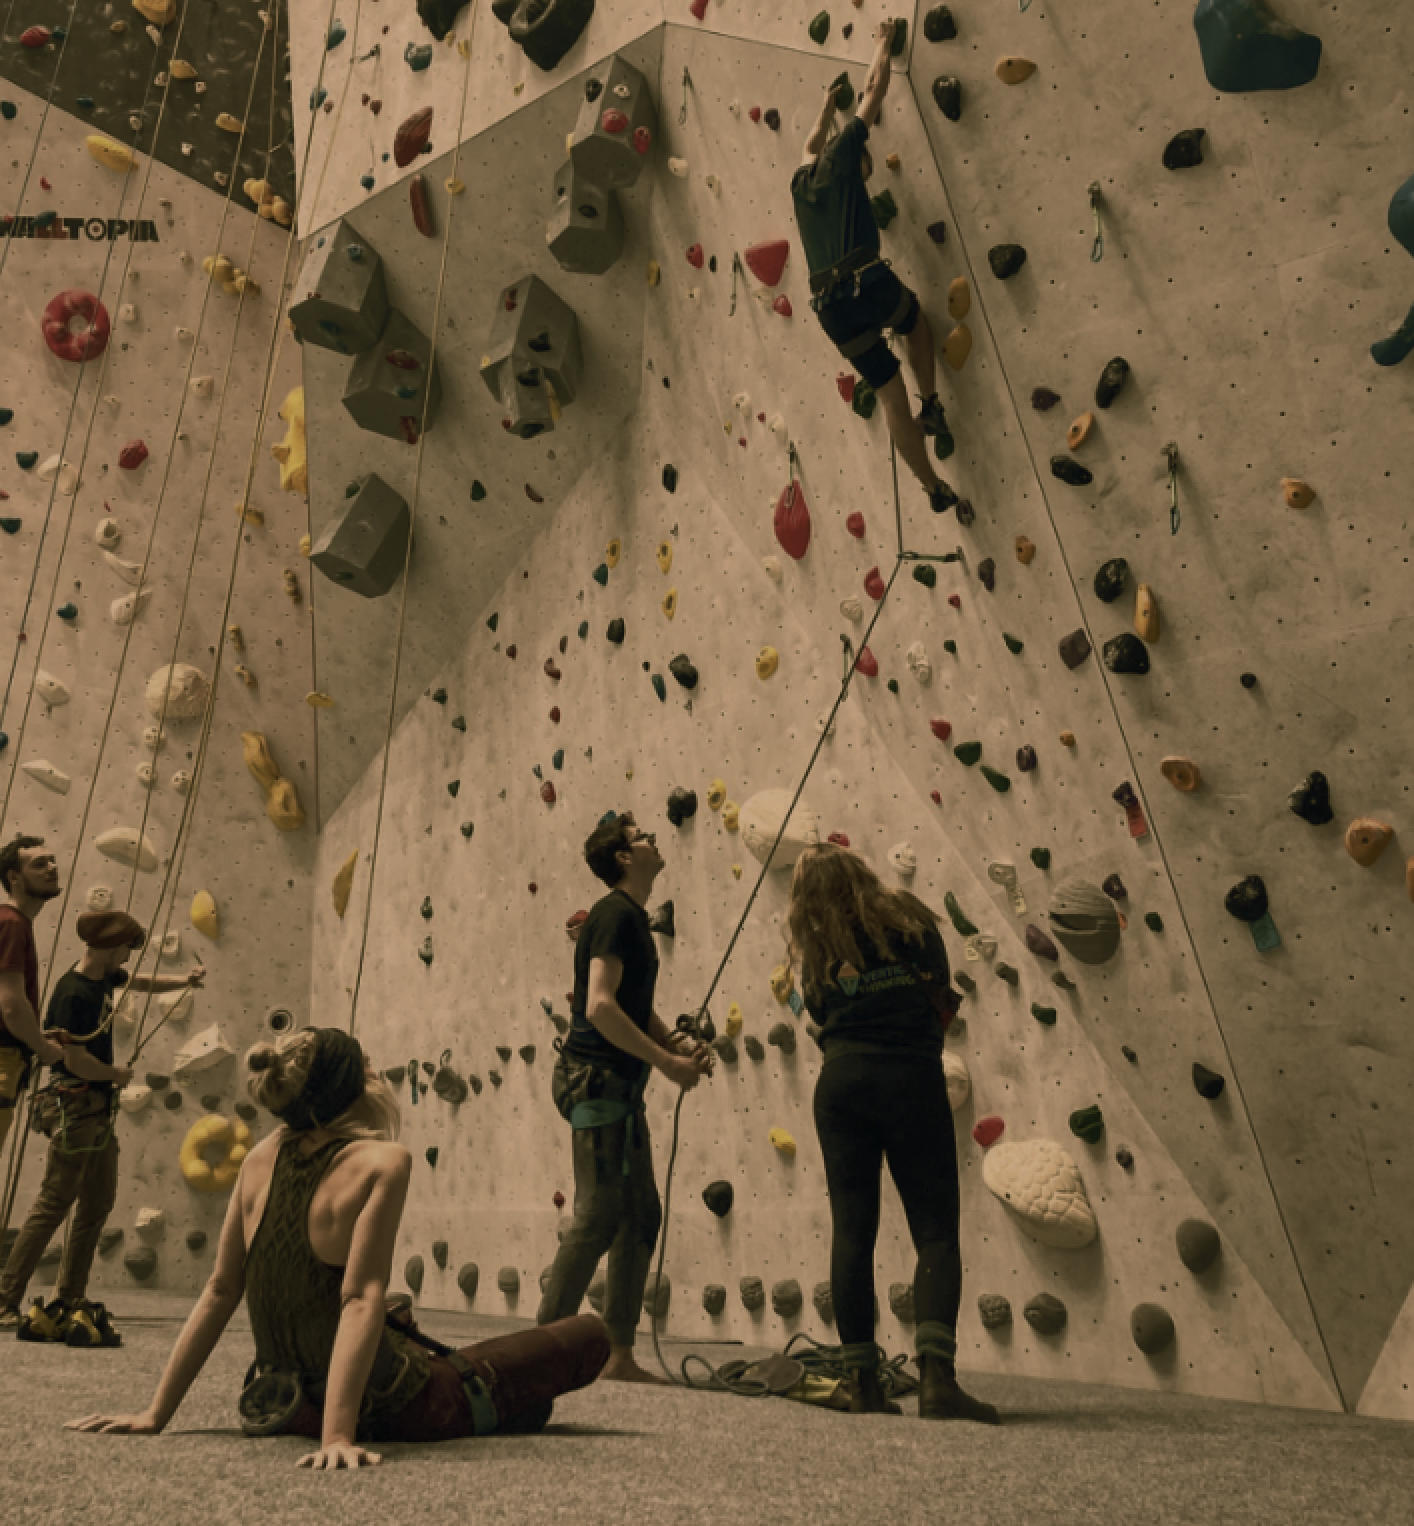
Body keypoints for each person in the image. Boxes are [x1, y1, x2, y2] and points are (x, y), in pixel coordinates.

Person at [67, 1027, 610, 1468]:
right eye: (368, 1066)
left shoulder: (257, 1158)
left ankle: (507, 1401)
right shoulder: (383, 1161)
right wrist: (337, 1436)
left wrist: (154, 1413)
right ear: (350, 1086)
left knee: (413, 1320)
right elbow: (358, 1298)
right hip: (399, 1403)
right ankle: (508, 1399)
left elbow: (220, 1289)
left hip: (282, 1396)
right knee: (586, 1337)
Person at [785, 843, 1000, 1424]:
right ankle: (936, 1381)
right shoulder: (909, 913)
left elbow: (821, 1017)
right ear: (863, 872)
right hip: (909, 1076)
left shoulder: (817, 945)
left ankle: (863, 1386)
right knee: (933, 1230)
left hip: (842, 1084)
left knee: (853, 1230)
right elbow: (938, 988)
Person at [536, 811, 713, 1384]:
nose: (654, 840)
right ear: (623, 857)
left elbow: (632, 1002)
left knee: (640, 1211)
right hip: (597, 1081)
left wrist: (673, 1041)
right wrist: (664, 1063)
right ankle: (540, 1349)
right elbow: (600, 1006)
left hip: (619, 1086)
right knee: (597, 1213)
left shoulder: (630, 919)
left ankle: (617, 1355)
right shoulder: (615, 916)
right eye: (643, 837)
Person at [0, 909, 206, 1341]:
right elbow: (73, 1059)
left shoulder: (102, 978)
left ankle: (69, 1296)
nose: (128, 959)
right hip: (76, 1106)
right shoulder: (74, 994)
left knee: (96, 1203)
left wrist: (183, 981)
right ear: (111, 948)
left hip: (95, 1109)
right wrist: (116, 1076)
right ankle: (4, 1298)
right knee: (54, 1204)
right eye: (126, 950)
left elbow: (139, 982)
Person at [792, 19, 961, 515]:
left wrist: (824, 106)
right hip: (865, 281)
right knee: (914, 321)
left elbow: (808, 142)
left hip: (830, 312)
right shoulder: (847, 152)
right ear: (856, 157)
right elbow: (874, 88)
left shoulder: (801, 182)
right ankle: (931, 404)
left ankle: (934, 489)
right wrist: (883, 40)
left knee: (889, 395)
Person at [0, 836, 66, 1159]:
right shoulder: (11, 924)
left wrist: (36, 1036)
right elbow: (11, 1006)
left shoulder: (14, 923)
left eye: (52, 861)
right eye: (39, 864)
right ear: (14, 878)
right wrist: (43, 1048)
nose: (52, 868)